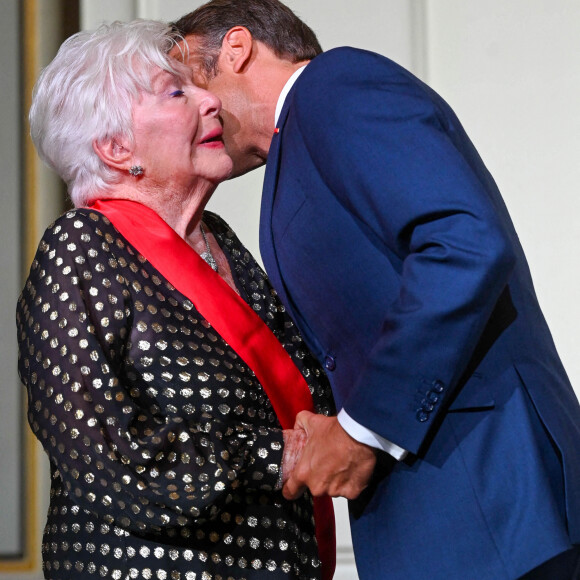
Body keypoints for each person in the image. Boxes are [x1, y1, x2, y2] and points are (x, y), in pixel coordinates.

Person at [171, 1, 580, 578]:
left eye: (184, 80)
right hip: (436, 506)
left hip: (490, 493)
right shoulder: (297, 147)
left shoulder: (333, 87)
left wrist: (363, 430)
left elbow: (462, 244)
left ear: (235, 49)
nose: (190, 111)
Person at [17, 19, 336, 580]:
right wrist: (279, 456)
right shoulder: (81, 246)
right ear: (116, 147)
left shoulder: (221, 242)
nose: (211, 99)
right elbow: (108, 456)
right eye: (175, 92)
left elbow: (309, 392)